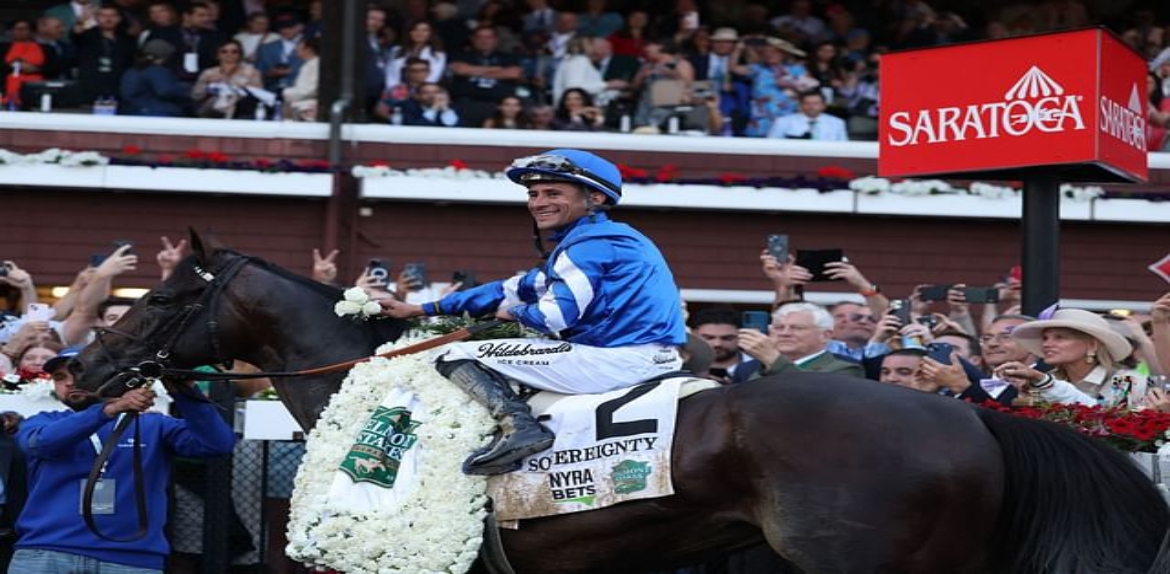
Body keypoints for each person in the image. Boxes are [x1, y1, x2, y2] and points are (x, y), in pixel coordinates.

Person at [379, 148, 687, 475]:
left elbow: (554, 317)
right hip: (648, 355)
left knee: (454, 355)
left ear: (596, 197)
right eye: (533, 193)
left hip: (618, 361)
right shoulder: (606, 239)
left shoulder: (588, 244)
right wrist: (419, 308)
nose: (538, 203)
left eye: (553, 193)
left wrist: (515, 314)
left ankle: (520, 429)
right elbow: (506, 289)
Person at [9, 347, 235, 573]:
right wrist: (109, 410)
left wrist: (186, 392)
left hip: (131, 559)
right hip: (46, 553)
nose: (69, 382)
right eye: (60, 377)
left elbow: (218, 444)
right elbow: (41, 443)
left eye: (79, 372)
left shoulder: (154, 425)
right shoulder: (42, 421)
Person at [998, 308, 1147, 408]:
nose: (1047, 344)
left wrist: (1044, 384)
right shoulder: (1047, 380)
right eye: (1045, 338)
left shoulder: (1126, 381)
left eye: (1060, 337)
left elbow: (1105, 424)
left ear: (1092, 345)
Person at [737, 302, 864, 379]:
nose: (785, 333)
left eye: (797, 328)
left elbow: (811, 396)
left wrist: (774, 361)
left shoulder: (846, 369)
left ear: (825, 335)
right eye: (778, 327)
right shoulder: (748, 369)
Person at [766, 90, 848, 140]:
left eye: (816, 103)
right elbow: (771, 144)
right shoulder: (783, 121)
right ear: (801, 105)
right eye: (807, 103)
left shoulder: (837, 123)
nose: (811, 107)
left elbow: (844, 147)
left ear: (823, 106)